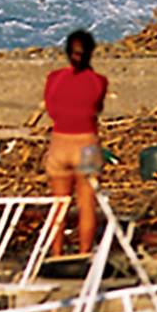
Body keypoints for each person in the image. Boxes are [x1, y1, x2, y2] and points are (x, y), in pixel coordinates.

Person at [43, 28, 107, 254]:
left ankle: (57, 254)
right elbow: (96, 108)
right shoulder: (99, 81)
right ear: (91, 53)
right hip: (86, 145)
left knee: (59, 204)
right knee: (86, 204)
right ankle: (84, 253)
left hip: (60, 144)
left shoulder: (54, 78)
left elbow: (52, 110)